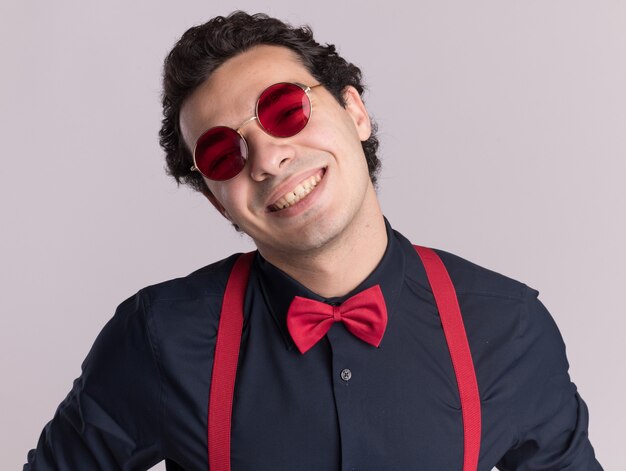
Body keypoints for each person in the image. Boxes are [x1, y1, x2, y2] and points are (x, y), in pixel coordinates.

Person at [25, 11, 602, 471]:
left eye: (284, 109)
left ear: (354, 111)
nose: (269, 159)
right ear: (215, 198)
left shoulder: (508, 327)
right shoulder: (159, 336)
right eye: (224, 153)